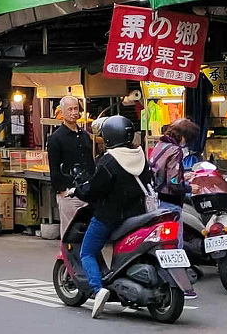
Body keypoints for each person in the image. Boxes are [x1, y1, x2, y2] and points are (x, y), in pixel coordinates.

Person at [73, 115, 154, 319]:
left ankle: (97, 289)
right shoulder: (140, 155)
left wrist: (79, 190)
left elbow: (94, 189)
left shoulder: (109, 161)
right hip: (138, 216)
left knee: (87, 252)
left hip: (109, 217)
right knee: (130, 252)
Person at [46, 96, 94, 237]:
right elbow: (54, 168)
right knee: (69, 234)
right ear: (62, 112)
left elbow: (90, 162)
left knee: (88, 234)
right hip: (69, 192)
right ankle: (67, 258)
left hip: (87, 192)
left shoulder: (85, 135)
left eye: (76, 109)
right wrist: (62, 191)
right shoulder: (56, 138)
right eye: (70, 109)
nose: (74, 112)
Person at [150, 118, 199, 247]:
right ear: (183, 137)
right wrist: (190, 188)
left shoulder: (160, 145)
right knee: (174, 244)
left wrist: (182, 176)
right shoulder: (175, 150)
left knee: (162, 243)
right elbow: (174, 184)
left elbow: (164, 173)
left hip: (157, 200)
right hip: (170, 202)